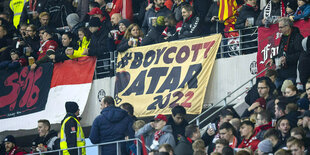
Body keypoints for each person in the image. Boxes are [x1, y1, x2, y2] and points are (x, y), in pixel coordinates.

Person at [271, 17, 304, 89]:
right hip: (281, 73)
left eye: (281, 27)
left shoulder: (297, 37)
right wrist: (272, 59)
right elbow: (281, 54)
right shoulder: (283, 37)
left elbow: (301, 54)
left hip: (292, 73)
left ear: (288, 26)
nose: (279, 30)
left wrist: (287, 59)